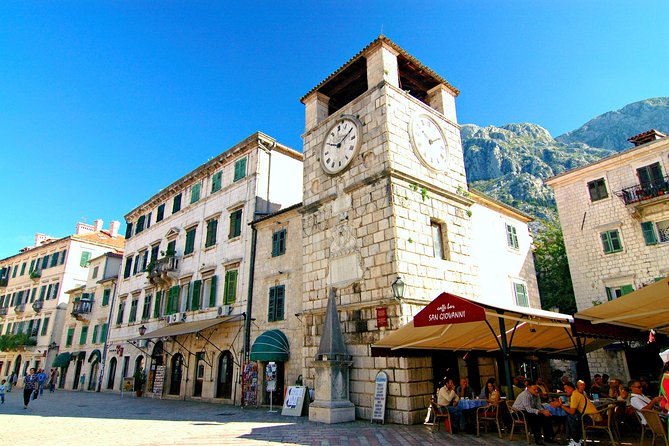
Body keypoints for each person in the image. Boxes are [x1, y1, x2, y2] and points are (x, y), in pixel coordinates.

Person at [512, 379, 556, 445]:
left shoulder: (537, 394)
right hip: (518, 412)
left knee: (546, 416)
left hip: (528, 411)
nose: (536, 391)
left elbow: (539, 406)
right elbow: (529, 409)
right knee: (533, 417)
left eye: (537, 389)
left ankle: (548, 437)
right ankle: (538, 439)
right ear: (529, 388)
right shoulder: (525, 395)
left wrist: (544, 411)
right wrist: (541, 411)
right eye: (534, 389)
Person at [557, 380, 599, 446]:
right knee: (572, 417)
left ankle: (576, 441)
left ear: (571, 388)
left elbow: (572, 411)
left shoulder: (575, 395)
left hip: (591, 418)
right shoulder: (576, 393)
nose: (565, 390)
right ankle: (575, 439)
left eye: (566, 388)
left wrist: (561, 405)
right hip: (591, 416)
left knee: (571, 417)